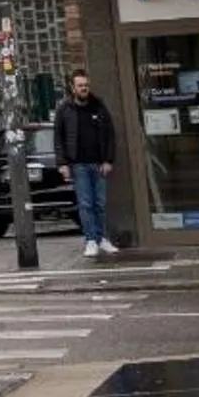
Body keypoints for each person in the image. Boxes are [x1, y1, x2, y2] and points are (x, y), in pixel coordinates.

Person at [53, 68, 121, 258]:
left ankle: (102, 238)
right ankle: (91, 240)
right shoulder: (64, 109)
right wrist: (63, 164)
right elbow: (58, 138)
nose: (84, 88)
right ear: (72, 87)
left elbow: (109, 134)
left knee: (100, 203)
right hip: (78, 164)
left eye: (86, 85)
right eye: (80, 86)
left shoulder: (98, 106)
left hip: (98, 163)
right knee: (85, 204)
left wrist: (108, 160)